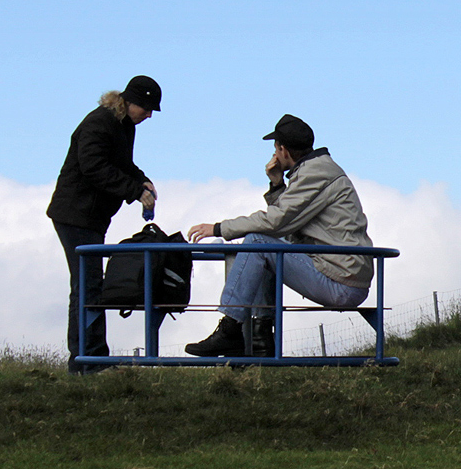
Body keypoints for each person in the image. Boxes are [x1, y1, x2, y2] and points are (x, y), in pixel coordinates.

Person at [184, 114, 373, 357]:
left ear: (283, 149)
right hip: (341, 272)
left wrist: (219, 228)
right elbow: (288, 220)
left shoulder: (315, 173)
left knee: (256, 242)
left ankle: (230, 329)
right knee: (263, 245)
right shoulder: (316, 169)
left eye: (275, 147)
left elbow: (276, 222)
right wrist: (276, 184)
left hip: (341, 282)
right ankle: (261, 340)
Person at [48, 76, 162, 374]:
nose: (149, 115)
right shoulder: (99, 123)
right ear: (132, 101)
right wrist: (134, 190)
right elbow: (94, 168)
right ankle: (88, 361)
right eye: (147, 108)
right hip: (75, 216)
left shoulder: (123, 125)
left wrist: (141, 180)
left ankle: (91, 359)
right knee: (87, 286)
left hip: (92, 217)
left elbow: (122, 164)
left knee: (89, 285)